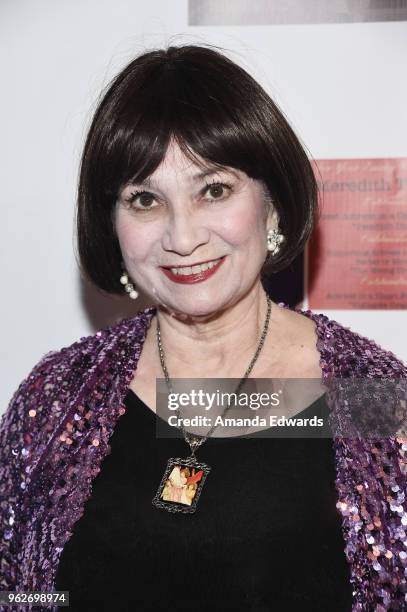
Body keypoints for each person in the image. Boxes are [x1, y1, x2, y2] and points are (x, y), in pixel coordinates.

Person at [1, 43, 406, 611]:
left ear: (272, 203)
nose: (182, 237)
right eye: (144, 200)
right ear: (111, 224)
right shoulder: (60, 398)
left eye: (213, 190)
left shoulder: (370, 395)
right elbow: (22, 595)